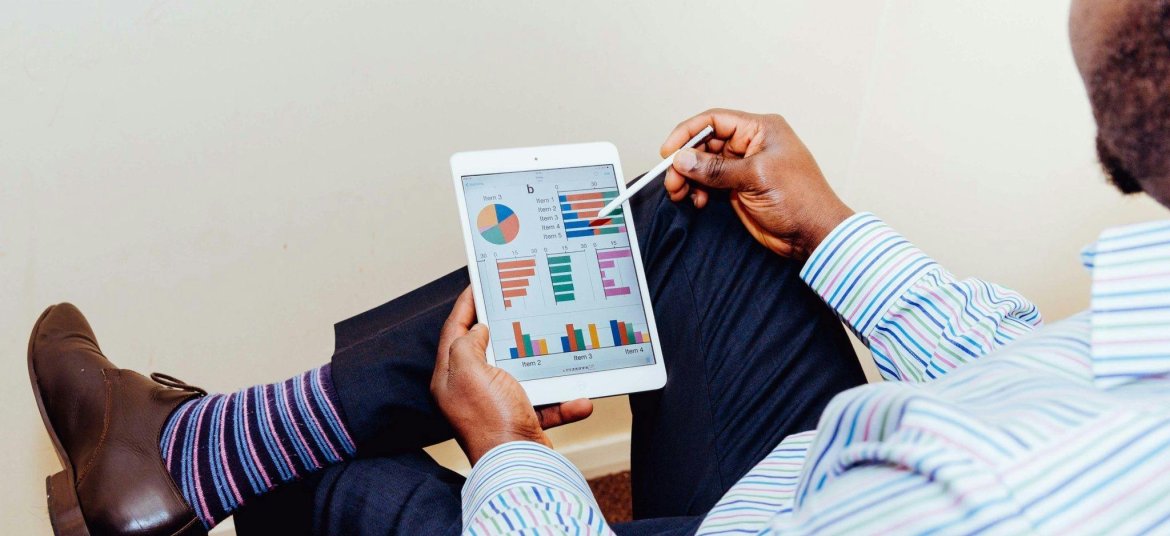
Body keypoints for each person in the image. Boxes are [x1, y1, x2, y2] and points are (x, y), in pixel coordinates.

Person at [26, 0, 1170, 534]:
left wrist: (513, 452)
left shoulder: (1007, 502)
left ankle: (198, 453)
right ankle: (177, 450)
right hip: (831, 484)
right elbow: (1028, 368)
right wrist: (830, 225)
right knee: (698, 214)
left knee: (334, 490)